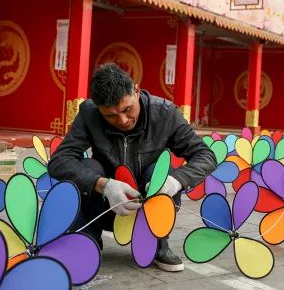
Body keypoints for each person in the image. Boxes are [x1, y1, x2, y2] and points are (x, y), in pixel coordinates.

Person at [48, 63, 217, 272]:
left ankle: (157, 244)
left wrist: (177, 180)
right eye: (110, 116)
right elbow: (59, 161)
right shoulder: (89, 114)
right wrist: (103, 185)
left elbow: (206, 155)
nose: (123, 120)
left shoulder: (165, 113)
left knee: (162, 170)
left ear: (136, 91)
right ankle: (87, 238)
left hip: (149, 202)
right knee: (88, 166)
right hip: (107, 207)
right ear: (99, 108)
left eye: (127, 109)